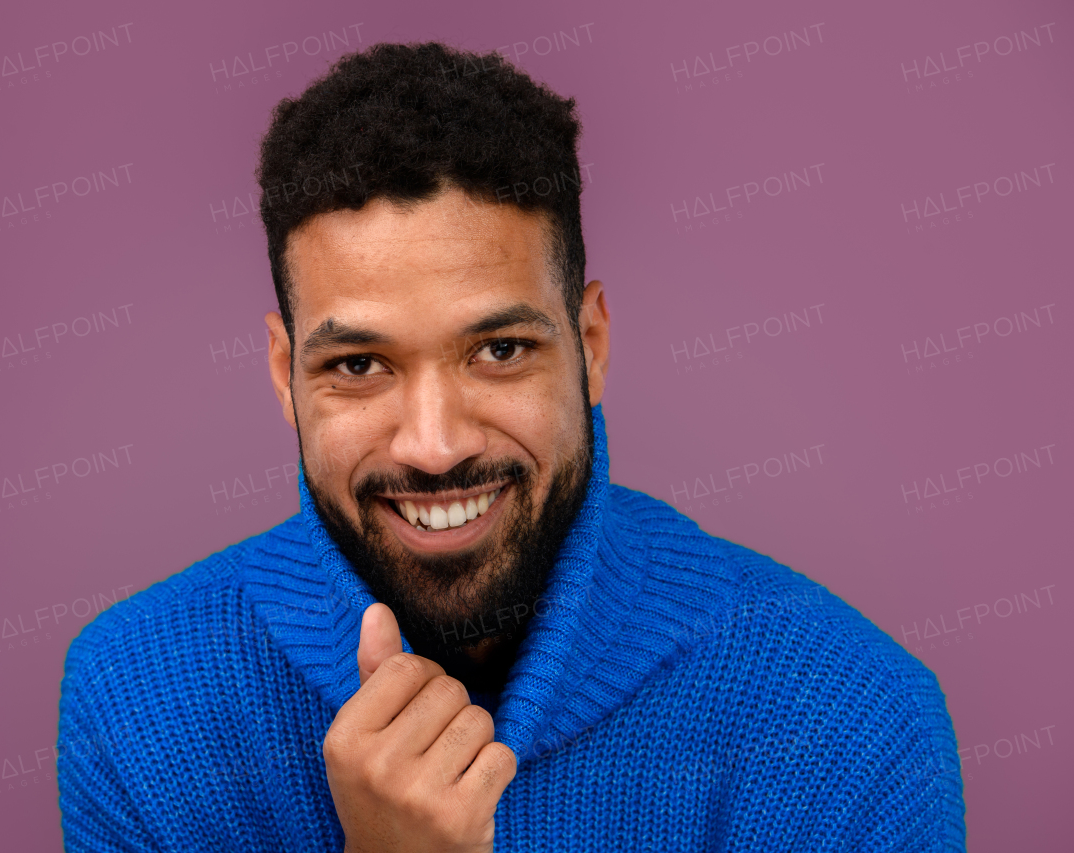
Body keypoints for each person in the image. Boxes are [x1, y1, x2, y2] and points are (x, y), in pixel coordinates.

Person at [57, 42, 966, 852]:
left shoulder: (855, 719)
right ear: (284, 374)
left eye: (499, 351)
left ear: (592, 346)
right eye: (361, 363)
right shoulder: (135, 705)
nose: (436, 444)